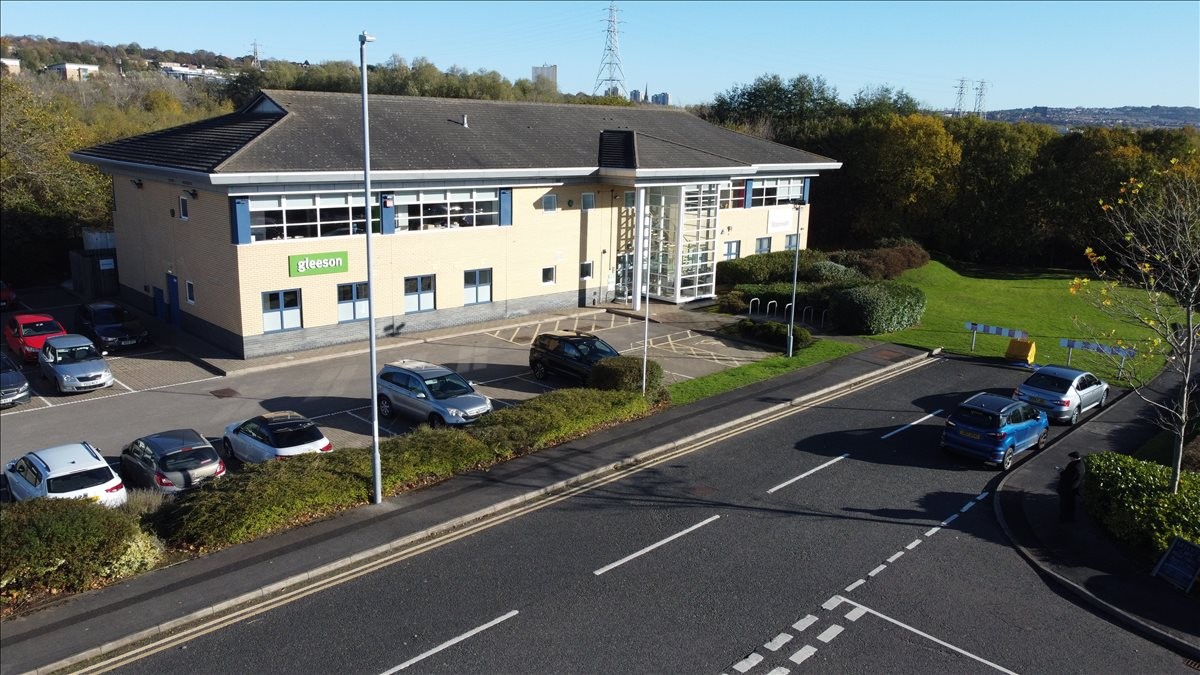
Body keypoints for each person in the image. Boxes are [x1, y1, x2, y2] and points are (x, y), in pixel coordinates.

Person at [1057, 451, 1085, 523]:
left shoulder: (1074, 466)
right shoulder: (1081, 464)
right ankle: (1071, 517)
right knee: (1071, 503)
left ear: (1074, 458)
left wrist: (1061, 471)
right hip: (1075, 488)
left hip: (1068, 489)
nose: (1070, 459)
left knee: (1065, 504)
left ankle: (1064, 518)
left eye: (1071, 458)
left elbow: (1067, 477)